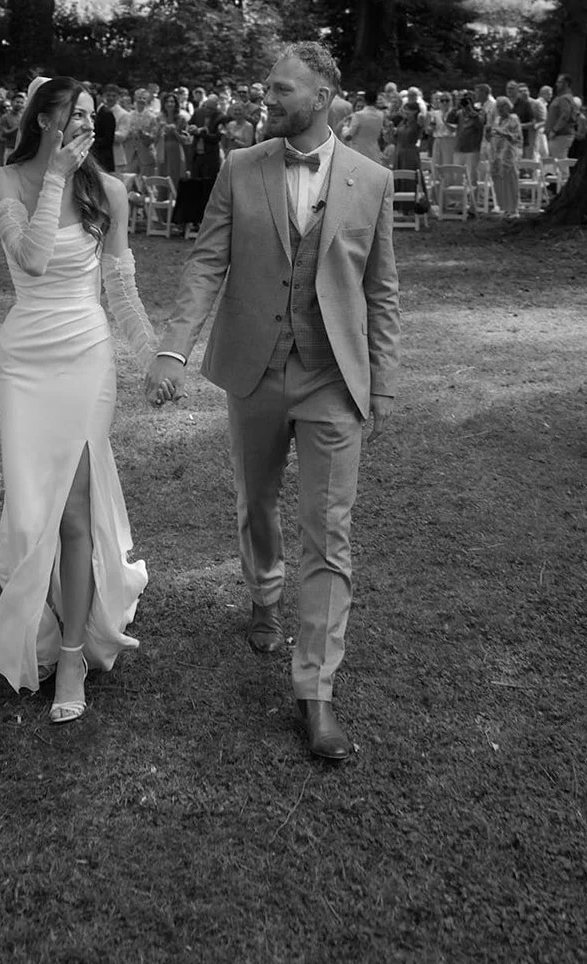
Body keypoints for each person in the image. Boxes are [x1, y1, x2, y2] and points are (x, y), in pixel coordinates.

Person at [145, 42, 401, 763]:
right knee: (256, 500)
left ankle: (315, 693)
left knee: (330, 530)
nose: (268, 100)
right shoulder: (239, 167)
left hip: (333, 381)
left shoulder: (372, 181)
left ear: (322, 97)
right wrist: (173, 348)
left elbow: (380, 292)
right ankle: (263, 593)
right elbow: (205, 264)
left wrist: (380, 383)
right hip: (254, 372)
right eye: (267, 89)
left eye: (281, 90)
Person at [0, 77, 154, 723]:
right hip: (24, 359)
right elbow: (32, 258)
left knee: (73, 513)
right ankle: (42, 608)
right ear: (44, 118)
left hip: (85, 356)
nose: (86, 124)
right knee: (29, 515)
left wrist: (155, 358)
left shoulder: (108, 191)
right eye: (74, 113)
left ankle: (72, 652)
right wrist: (53, 177)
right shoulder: (4, 180)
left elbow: (123, 293)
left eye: (91, 115)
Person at [488, 96, 523, 219]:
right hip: (496, 155)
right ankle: (504, 208)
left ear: (508, 106)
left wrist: (503, 133)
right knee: (499, 181)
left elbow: (517, 138)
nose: (500, 109)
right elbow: (492, 135)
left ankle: (514, 209)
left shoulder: (513, 118)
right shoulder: (497, 119)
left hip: (509, 154)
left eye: (503, 106)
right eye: (498, 106)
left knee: (511, 181)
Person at [340, 88, 386, 162]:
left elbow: (348, 136)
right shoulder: (381, 115)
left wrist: (345, 127)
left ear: (365, 100)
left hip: (359, 153)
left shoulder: (358, 115)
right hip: (374, 153)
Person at [545, 75, 577, 160]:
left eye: (559, 82)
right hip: (558, 136)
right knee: (559, 162)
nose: (556, 84)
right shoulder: (562, 97)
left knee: (559, 162)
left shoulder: (564, 98)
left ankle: (564, 174)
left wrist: (554, 130)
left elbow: (565, 115)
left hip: (560, 135)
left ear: (566, 84)